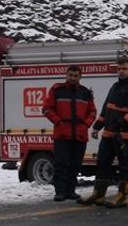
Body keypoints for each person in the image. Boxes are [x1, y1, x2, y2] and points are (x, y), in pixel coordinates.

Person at [79, 57, 128, 208]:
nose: (121, 71)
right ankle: (99, 194)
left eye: (124, 69)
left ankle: (122, 195)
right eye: (119, 69)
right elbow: (106, 108)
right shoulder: (115, 87)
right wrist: (97, 126)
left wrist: (121, 123)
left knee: (124, 165)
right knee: (102, 162)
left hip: (125, 136)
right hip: (108, 133)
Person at [42, 65, 97, 201]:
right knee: (60, 164)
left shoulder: (85, 92)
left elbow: (92, 111)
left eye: (75, 75)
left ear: (80, 77)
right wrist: (58, 122)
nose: (73, 78)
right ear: (66, 75)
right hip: (62, 134)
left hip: (80, 134)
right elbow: (47, 109)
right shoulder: (57, 90)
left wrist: (86, 124)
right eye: (70, 75)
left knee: (75, 164)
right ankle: (60, 192)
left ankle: (71, 191)